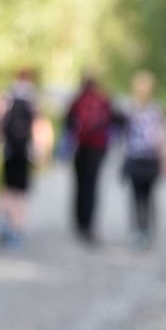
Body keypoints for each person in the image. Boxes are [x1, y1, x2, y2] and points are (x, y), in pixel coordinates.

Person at [65, 76, 114, 245]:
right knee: (92, 186)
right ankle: (89, 224)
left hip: (81, 148)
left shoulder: (77, 100)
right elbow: (114, 121)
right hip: (98, 149)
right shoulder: (104, 99)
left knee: (80, 185)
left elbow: (68, 122)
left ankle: (79, 222)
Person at [122, 70, 166, 249]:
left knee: (143, 196)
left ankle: (143, 230)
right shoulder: (153, 109)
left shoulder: (139, 109)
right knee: (141, 196)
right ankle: (141, 230)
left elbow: (162, 137)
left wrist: (165, 160)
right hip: (141, 158)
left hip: (143, 158)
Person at [0, 69, 38, 249]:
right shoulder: (32, 97)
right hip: (24, 152)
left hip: (9, 150)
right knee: (20, 193)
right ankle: (17, 229)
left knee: (7, 188)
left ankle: (3, 224)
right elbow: (39, 124)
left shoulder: (8, 94)